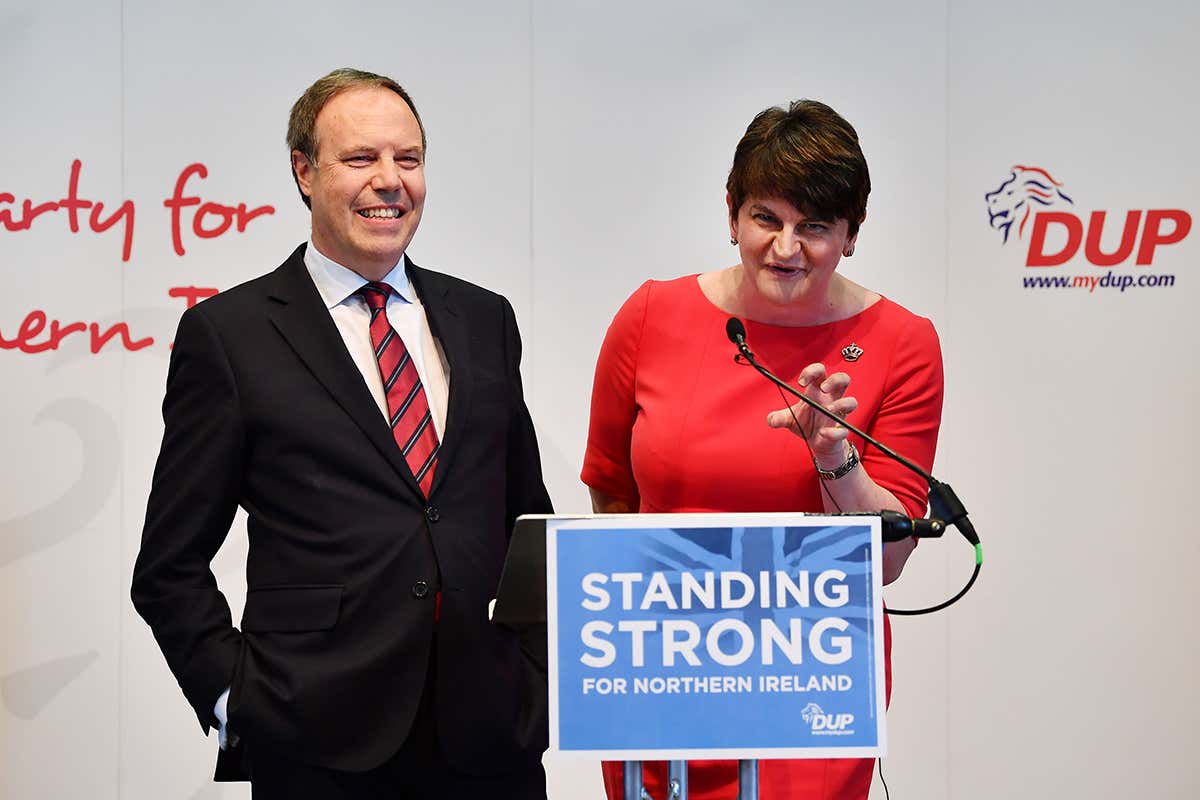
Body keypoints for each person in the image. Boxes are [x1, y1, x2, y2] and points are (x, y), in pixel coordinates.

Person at [131, 68, 553, 799]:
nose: (390, 180)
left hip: (490, 737)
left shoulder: (486, 318)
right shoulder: (229, 336)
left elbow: (527, 520)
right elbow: (168, 566)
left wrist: (537, 680)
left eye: (408, 159)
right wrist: (235, 698)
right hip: (315, 740)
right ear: (304, 171)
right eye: (361, 159)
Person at [582, 100, 944, 800]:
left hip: (808, 679)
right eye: (765, 219)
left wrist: (834, 457)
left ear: (852, 233)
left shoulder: (903, 343)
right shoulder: (652, 315)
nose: (785, 248)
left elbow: (888, 560)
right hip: (661, 670)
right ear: (731, 214)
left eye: (814, 227)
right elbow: (610, 488)